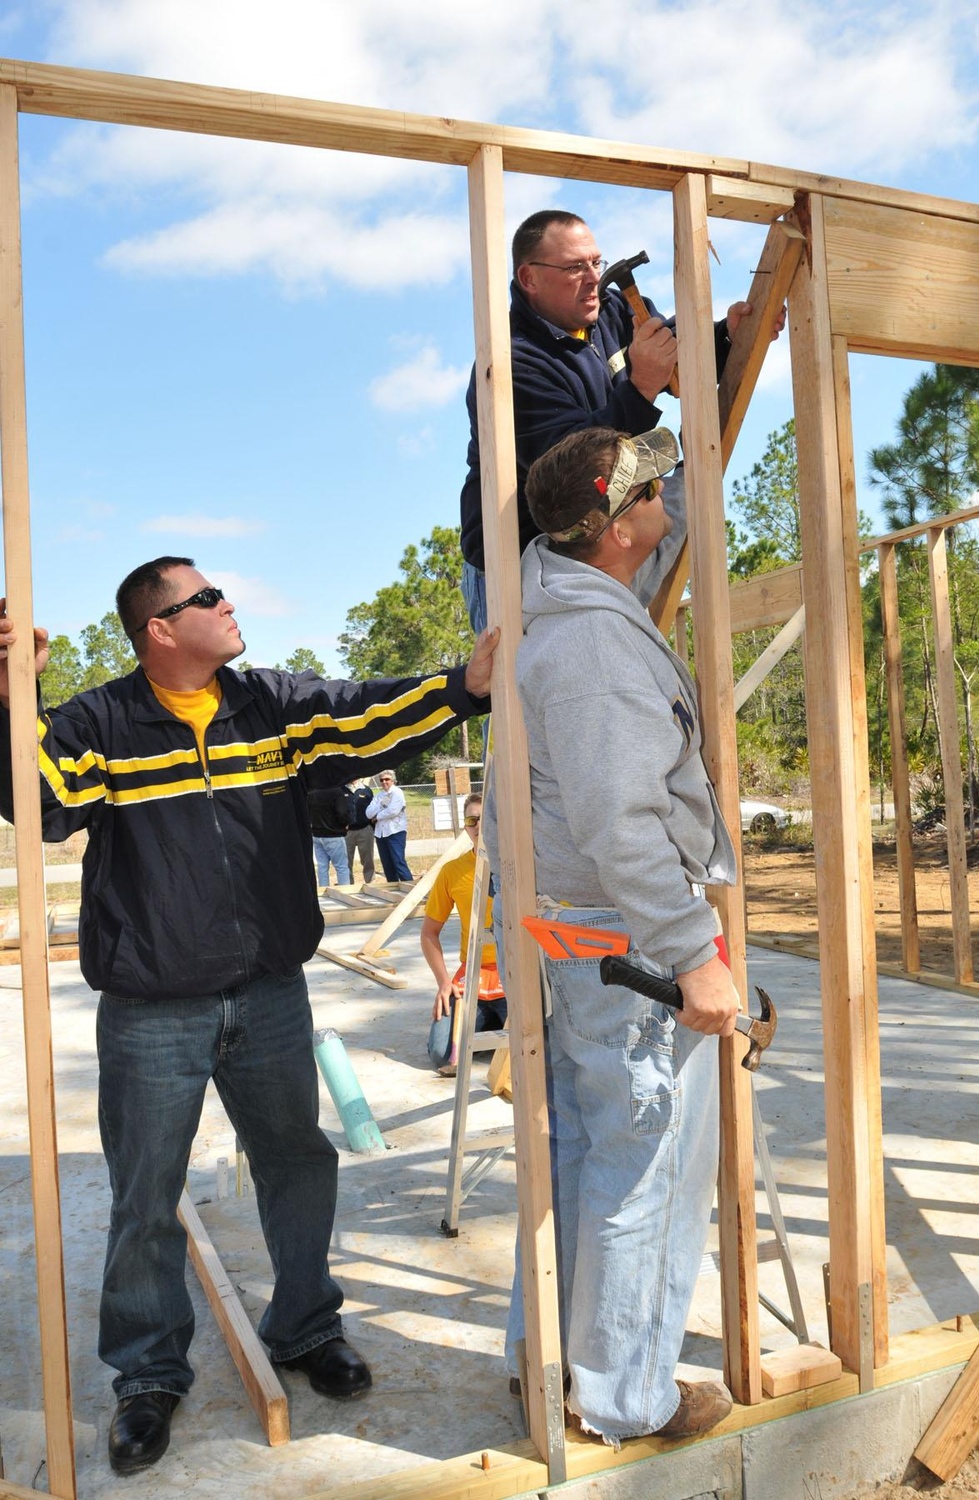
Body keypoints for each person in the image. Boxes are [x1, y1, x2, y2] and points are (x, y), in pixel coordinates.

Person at [0, 559, 497, 1475]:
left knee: (298, 1163)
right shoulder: (102, 722)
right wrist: (15, 696)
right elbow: (42, 804)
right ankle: (149, 1373)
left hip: (270, 993)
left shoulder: (271, 705)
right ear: (158, 628)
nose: (227, 604)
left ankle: (306, 1326)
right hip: (152, 1010)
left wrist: (462, 687)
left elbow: (361, 714)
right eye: (205, 598)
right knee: (145, 1194)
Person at [494, 427, 740, 1446]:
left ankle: (552, 1368)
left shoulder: (560, 602)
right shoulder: (593, 648)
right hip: (629, 943)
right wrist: (693, 954)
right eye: (653, 489)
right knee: (646, 1168)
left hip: (584, 936)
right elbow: (621, 824)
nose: (667, 495)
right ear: (617, 526)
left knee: (584, 1157)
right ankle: (624, 1401)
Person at [459, 208, 782, 630]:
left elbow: (673, 355)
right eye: (575, 268)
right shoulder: (509, 364)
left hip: (601, 540)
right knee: (541, 671)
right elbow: (576, 479)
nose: (593, 278)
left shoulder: (613, 309)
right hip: (521, 564)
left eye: (596, 262)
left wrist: (725, 337)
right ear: (529, 278)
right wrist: (641, 387)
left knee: (686, 487)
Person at [421, 793, 507, 1077]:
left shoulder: (520, 864)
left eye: (485, 819)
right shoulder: (452, 871)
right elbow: (429, 933)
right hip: (472, 976)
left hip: (512, 977)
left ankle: (492, 1027)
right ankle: (488, 1025)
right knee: (442, 1055)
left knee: (537, 1050)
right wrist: (444, 982)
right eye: (472, 820)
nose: (478, 826)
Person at [366, 769, 412, 882]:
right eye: (381, 780)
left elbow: (393, 810)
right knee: (387, 864)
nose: (384, 782)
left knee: (398, 862)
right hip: (380, 834)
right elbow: (368, 813)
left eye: (387, 779)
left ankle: (410, 886)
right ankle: (393, 887)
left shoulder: (397, 792)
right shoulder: (379, 795)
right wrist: (381, 806)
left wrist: (377, 817)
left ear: (393, 780)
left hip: (395, 831)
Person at [308, 785, 351, 892]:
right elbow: (342, 813)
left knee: (322, 867)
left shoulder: (312, 792)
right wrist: (346, 823)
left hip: (317, 833)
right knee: (341, 867)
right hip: (334, 834)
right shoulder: (337, 792)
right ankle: (345, 892)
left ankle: (323, 892)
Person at [344, 778, 376, 884]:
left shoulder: (366, 790)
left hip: (365, 829)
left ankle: (370, 883)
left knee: (368, 860)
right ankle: (348, 885)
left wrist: (371, 827)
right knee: (346, 861)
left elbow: (373, 809)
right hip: (347, 832)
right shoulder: (341, 789)